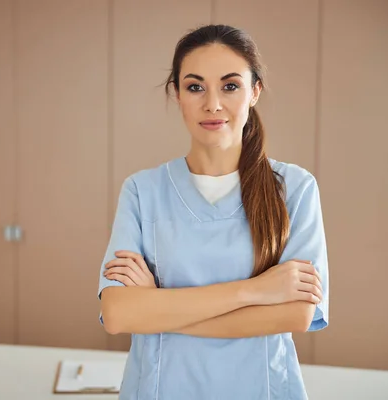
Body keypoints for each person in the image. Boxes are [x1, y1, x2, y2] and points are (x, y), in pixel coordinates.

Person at [97, 24, 329, 400]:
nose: (213, 104)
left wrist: (158, 307)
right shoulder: (142, 191)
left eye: (230, 86)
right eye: (195, 86)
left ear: (254, 91)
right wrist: (256, 291)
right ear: (176, 93)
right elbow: (119, 315)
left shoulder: (295, 189)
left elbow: (296, 315)